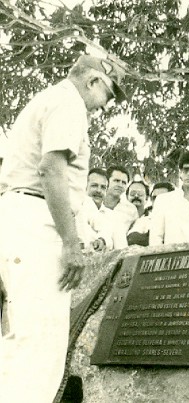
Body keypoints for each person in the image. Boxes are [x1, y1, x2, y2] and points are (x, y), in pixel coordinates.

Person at [0, 54, 126, 402]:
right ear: (92, 81)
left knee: (20, 340)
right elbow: (51, 169)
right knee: (40, 345)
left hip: (19, 217)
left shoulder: (46, 99)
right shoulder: (69, 103)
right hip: (38, 223)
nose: (107, 105)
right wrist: (71, 242)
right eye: (109, 94)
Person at [76, 168, 114, 252]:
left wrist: (102, 241)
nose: (98, 190)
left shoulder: (111, 215)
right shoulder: (76, 208)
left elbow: (109, 237)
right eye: (94, 185)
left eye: (103, 187)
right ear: (85, 186)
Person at [127, 181, 175, 246]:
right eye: (154, 198)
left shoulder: (182, 217)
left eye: (161, 197)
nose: (157, 201)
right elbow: (132, 239)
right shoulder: (144, 220)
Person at [101, 165, 138, 248]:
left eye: (124, 182)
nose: (120, 185)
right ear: (106, 181)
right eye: (116, 181)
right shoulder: (96, 203)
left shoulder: (131, 210)